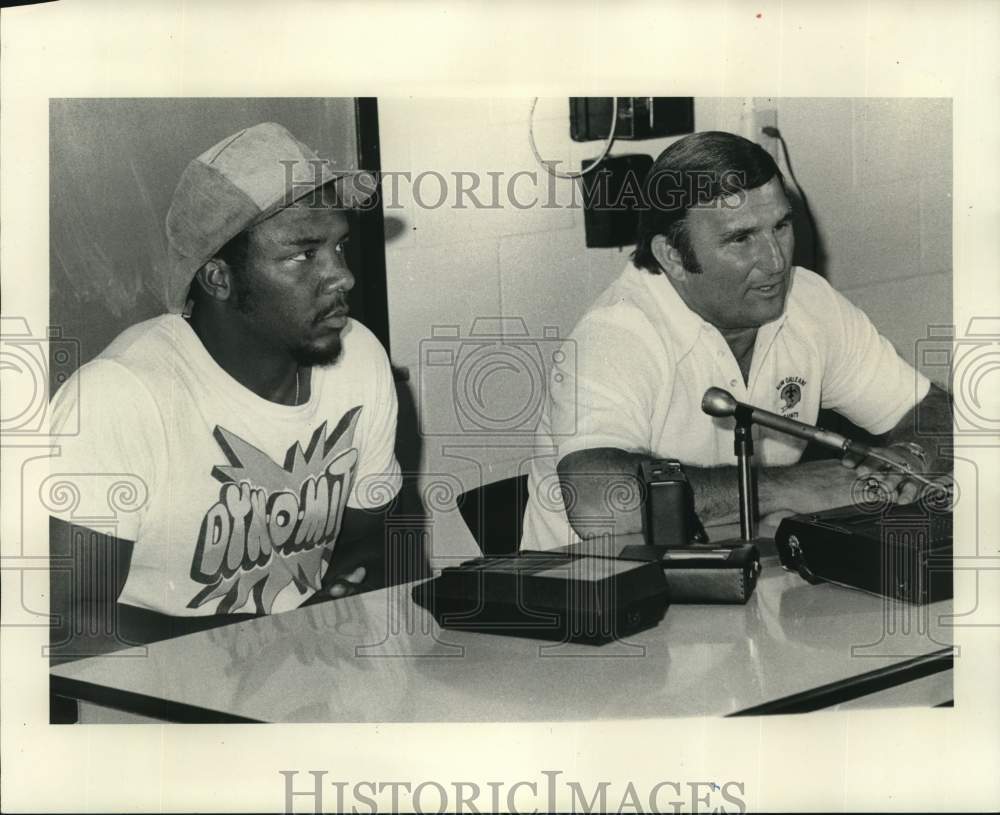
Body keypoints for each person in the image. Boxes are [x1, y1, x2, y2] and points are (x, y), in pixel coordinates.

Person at [48, 122, 402, 639]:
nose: (342, 276)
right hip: (156, 703)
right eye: (304, 255)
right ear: (219, 278)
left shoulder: (359, 357)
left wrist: (343, 594)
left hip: (314, 685)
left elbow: (372, 540)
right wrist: (260, 640)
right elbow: (62, 624)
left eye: (339, 248)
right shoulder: (118, 396)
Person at [522, 130, 952, 547]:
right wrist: (782, 487)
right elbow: (599, 501)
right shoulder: (617, 333)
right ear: (672, 255)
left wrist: (910, 457)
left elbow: (932, 410)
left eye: (781, 226)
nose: (776, 260)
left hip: (738, 577)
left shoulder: (808, 300)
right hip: (598, 597)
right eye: (741, 238)